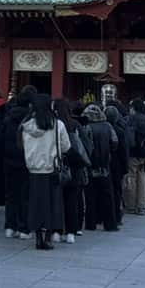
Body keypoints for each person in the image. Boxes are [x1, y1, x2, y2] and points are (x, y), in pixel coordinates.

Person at [21, 94, 70, 250]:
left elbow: (22, 145)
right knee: (52, 204)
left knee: (35, 203)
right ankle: (48, 237)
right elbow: (66, 146)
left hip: (33, 169)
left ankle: (37, 237)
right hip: (51, 168)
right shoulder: (57, 125)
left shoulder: (26, 126)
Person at [1, 86, 36, 238]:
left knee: (11, 194)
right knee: (25, 195)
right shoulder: (31, 121)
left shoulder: (7, 118)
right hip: (26, 161)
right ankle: (23, 227)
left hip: (9, 160)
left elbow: (0, 139)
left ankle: (10, 226)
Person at [55, 99, 90, 244]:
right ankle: (71, 232)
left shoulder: (53, 125)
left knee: (57, 201)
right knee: (72, 201)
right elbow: (86, 146)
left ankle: (56, 231)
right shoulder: (76, 125)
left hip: (57, 166)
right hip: (75, 167)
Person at [82, 105, 118, 232]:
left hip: (91, 166)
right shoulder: (108, 126)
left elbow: (84, 146)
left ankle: (90, 223)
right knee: (107, 195)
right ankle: (111, 224)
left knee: (90, 196)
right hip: (105, 165)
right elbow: (115, 142)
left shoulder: (87, 127)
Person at [123, 99, 145, 215]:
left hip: (133, 154)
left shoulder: (131, 120)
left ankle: (131, 206)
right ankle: (141, 206)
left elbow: (128, 139)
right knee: (143, 178)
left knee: (131, 178)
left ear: (134, 108)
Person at [106, 104, 129, 226]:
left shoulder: (105, 129)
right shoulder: (120, 131)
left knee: (107, 191)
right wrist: (125, 167)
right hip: (118, 165)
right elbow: (124, 150)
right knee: (117, 191)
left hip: (106, 163)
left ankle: (105, 215)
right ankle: (117, 216)